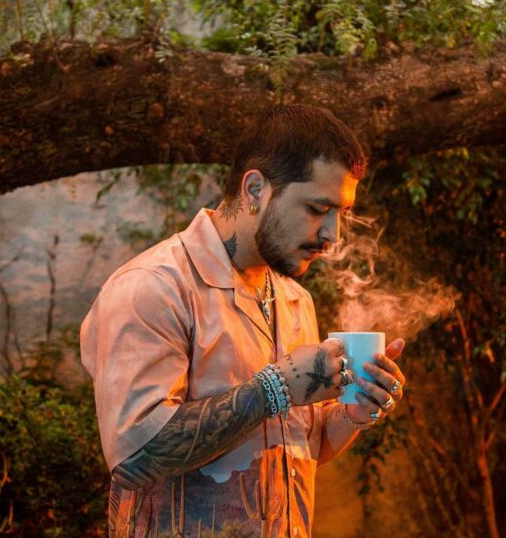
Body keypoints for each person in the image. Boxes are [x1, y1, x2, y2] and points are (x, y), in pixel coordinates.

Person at [80, 104, 406, 537]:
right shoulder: (153, 287)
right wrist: (276, 388)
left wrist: (354, 412)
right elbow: (135, 458)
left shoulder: (294, 299)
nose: (333, 236)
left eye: (340, 214)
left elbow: (296, 447)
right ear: (255, 190)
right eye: (316, 208)